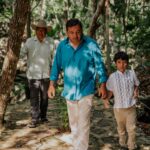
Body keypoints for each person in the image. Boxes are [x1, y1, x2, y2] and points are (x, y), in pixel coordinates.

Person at [48, 18, 107, 150]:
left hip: (86, 89)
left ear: (82, 30)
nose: (76, 35)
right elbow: (56, 66)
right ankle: (76, 147)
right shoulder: (62, 46)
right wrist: (52, 84)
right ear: (67, 33)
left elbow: (99, 65)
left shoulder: (91, 44)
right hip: (69, 91)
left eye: (78, 32)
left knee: (83, 123)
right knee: (74, 124)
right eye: (72, 32)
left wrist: (103, 84)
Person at [22, 19, 53, 128]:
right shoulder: (29, 42)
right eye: (39, 30)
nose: (41, 32)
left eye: (43, 30)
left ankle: (43, 117)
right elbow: (22, 54)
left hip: (46, 75)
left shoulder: (50, 42)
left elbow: (54, 59)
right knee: (34, 98)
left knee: (45, 98)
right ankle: (35, 119)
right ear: (36, 31)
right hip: (32, 75)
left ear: (46, 31)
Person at [105, 51, 140, 150]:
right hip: (118, 109)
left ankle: (131, 146)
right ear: (115, 63)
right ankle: (122, 143)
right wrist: (106, 99)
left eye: (124, 62)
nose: (122, 65)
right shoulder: (112, 77)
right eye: (119, 62)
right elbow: (111, 91)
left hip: (130, 107)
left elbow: (136, 84)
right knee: (121, 129)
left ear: (127, 63)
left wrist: (136, 91)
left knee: (132, 129)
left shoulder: (131, 73)